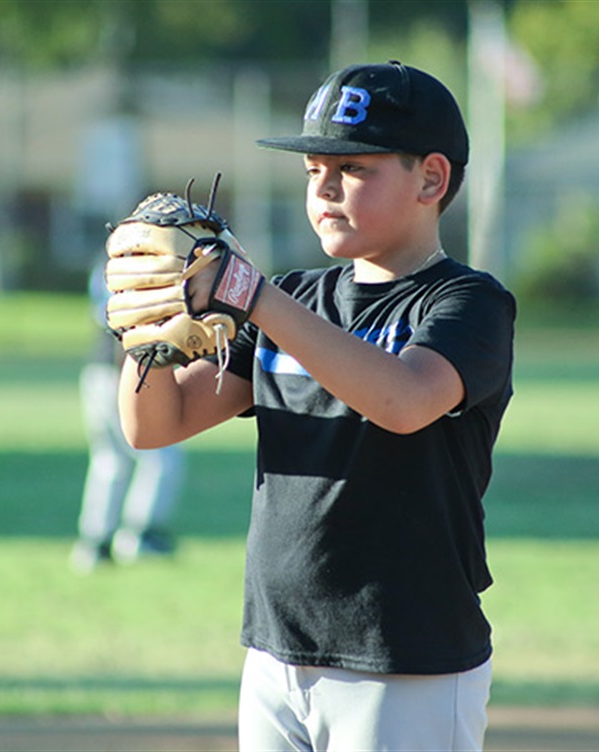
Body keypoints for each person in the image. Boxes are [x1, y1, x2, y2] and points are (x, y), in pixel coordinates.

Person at [116, 61, 515, 750]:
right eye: (311, 171)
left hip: (405, 658)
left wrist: (253, 297)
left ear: (432, 178)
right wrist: (145, 338)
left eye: (353, 168)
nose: (324, 187)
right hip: (276, 650)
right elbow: (157, 425)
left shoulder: (467, 304)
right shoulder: (299, 299)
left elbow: (404, 398)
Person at [71, 259, 185, 573]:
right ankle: (142, 534)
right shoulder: (150, 263)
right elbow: (124, 325)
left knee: (110, 461)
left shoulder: (107, 264)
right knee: (163, 457)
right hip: (122, 373)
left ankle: (95, 540)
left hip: (97, 370)